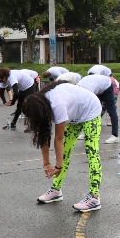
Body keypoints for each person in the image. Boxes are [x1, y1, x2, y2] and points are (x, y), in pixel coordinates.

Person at [22, 82, 103, 212]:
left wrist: (58, 166)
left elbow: (58, 139)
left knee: (91, 151)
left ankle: (94, 197)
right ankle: (55, 191)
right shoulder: (42, 103)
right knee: (65, 151)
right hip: (74, 115)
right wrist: (47, 164)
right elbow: (44, 136)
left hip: (90, 110)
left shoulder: (57, 104)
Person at [78, 75, 120, 144]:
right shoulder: (79, 87)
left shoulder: (88, 90)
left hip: (107, 86)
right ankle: (88, 132)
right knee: (93, 112)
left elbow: (88, 106)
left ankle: (115, 136)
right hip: (98, 87)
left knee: (111, 110)